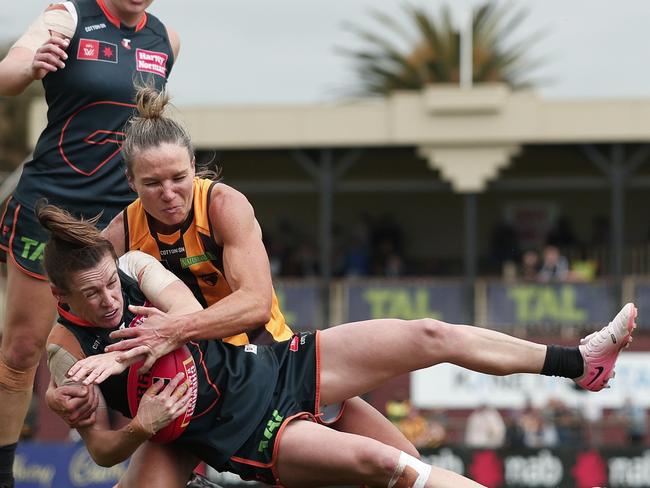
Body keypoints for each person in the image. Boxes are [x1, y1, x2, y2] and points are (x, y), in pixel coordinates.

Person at [38, 203, 636, 488]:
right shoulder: (63, 351)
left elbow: (194, 315)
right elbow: (107, 449)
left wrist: (126, 349)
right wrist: (141, 423)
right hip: (241, 431)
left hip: (278, 364)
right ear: (64, 296)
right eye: (92, 296)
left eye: (110, 282)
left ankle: (578, 362)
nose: (110, 300)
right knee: (390, 467)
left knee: (428, 333)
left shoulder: (138, 264)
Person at [48, 84, 420, 465]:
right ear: (131, 182)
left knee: (405, 461)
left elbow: (256, 305)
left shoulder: (222, 205)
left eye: (178, 178)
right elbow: (79, 319)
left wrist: (175, 329)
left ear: (193, 165)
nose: (169, 193)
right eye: (152, 184)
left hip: (273, 363)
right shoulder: (120, 237)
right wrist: (58, 391)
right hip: (195, 391)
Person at [0, 1, 179, 486]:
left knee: (145, 341)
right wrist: (29, 66)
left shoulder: (165, 40)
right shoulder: (68, 15)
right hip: (50, 209)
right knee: (21, 350)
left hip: (119, 218)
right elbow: (8, 72)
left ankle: (175, 463)